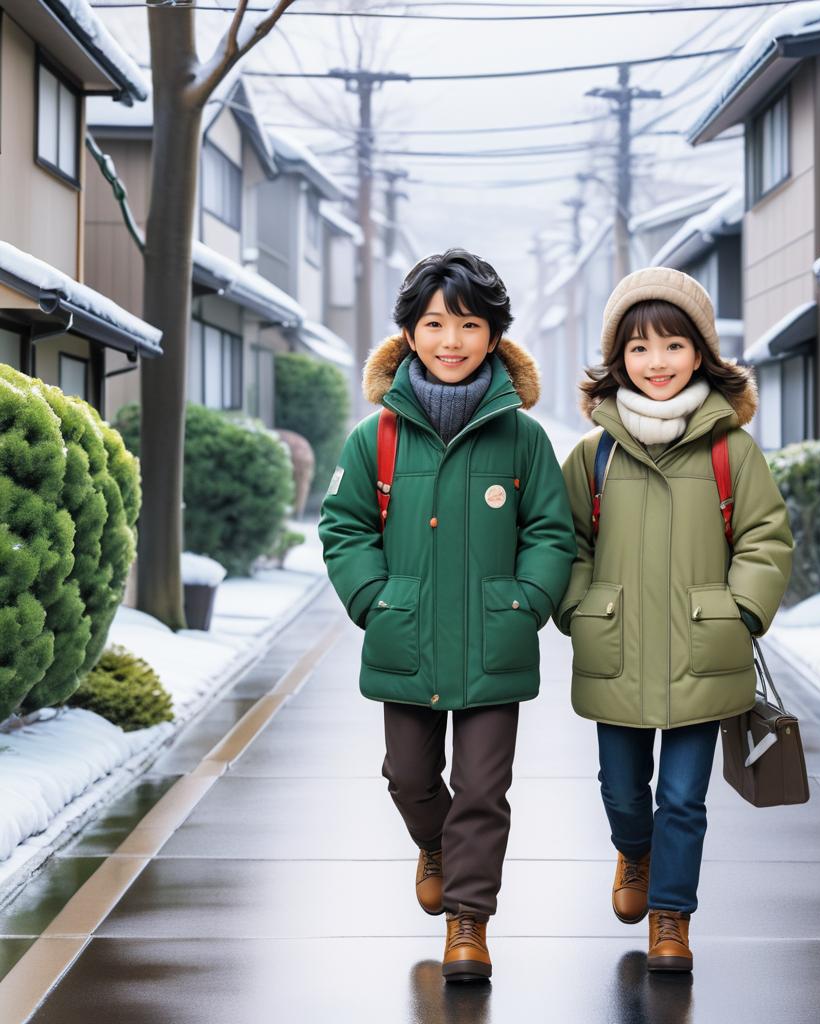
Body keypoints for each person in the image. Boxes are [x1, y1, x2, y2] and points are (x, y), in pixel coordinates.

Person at [318, 249, 575, 983]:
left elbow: (551, 531)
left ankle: (469, 922)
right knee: (408, 776)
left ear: (494, 337)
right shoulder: (378, 438)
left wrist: (526, 603)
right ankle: (433, 843)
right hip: (406, 637)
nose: (452, 340)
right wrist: (375, 598)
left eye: (469, 324)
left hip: (496, 642)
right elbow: (344, 526)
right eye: (435, 323)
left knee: (485, 789)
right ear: (409, 334)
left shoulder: (523, 438)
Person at [556, 267, 794, 972]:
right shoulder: (592, 456)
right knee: (622, 791)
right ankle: (634, 853)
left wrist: (741, 612)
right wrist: (578, 609)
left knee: (684, 798)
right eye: (638, 348)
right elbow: (565, 541)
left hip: (704, 650)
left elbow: (765, 538)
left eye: (672, 345)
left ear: (701, 353)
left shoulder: (731, 451)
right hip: (616, 649)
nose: (656, 363)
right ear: (617, 361)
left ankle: (671, 917)